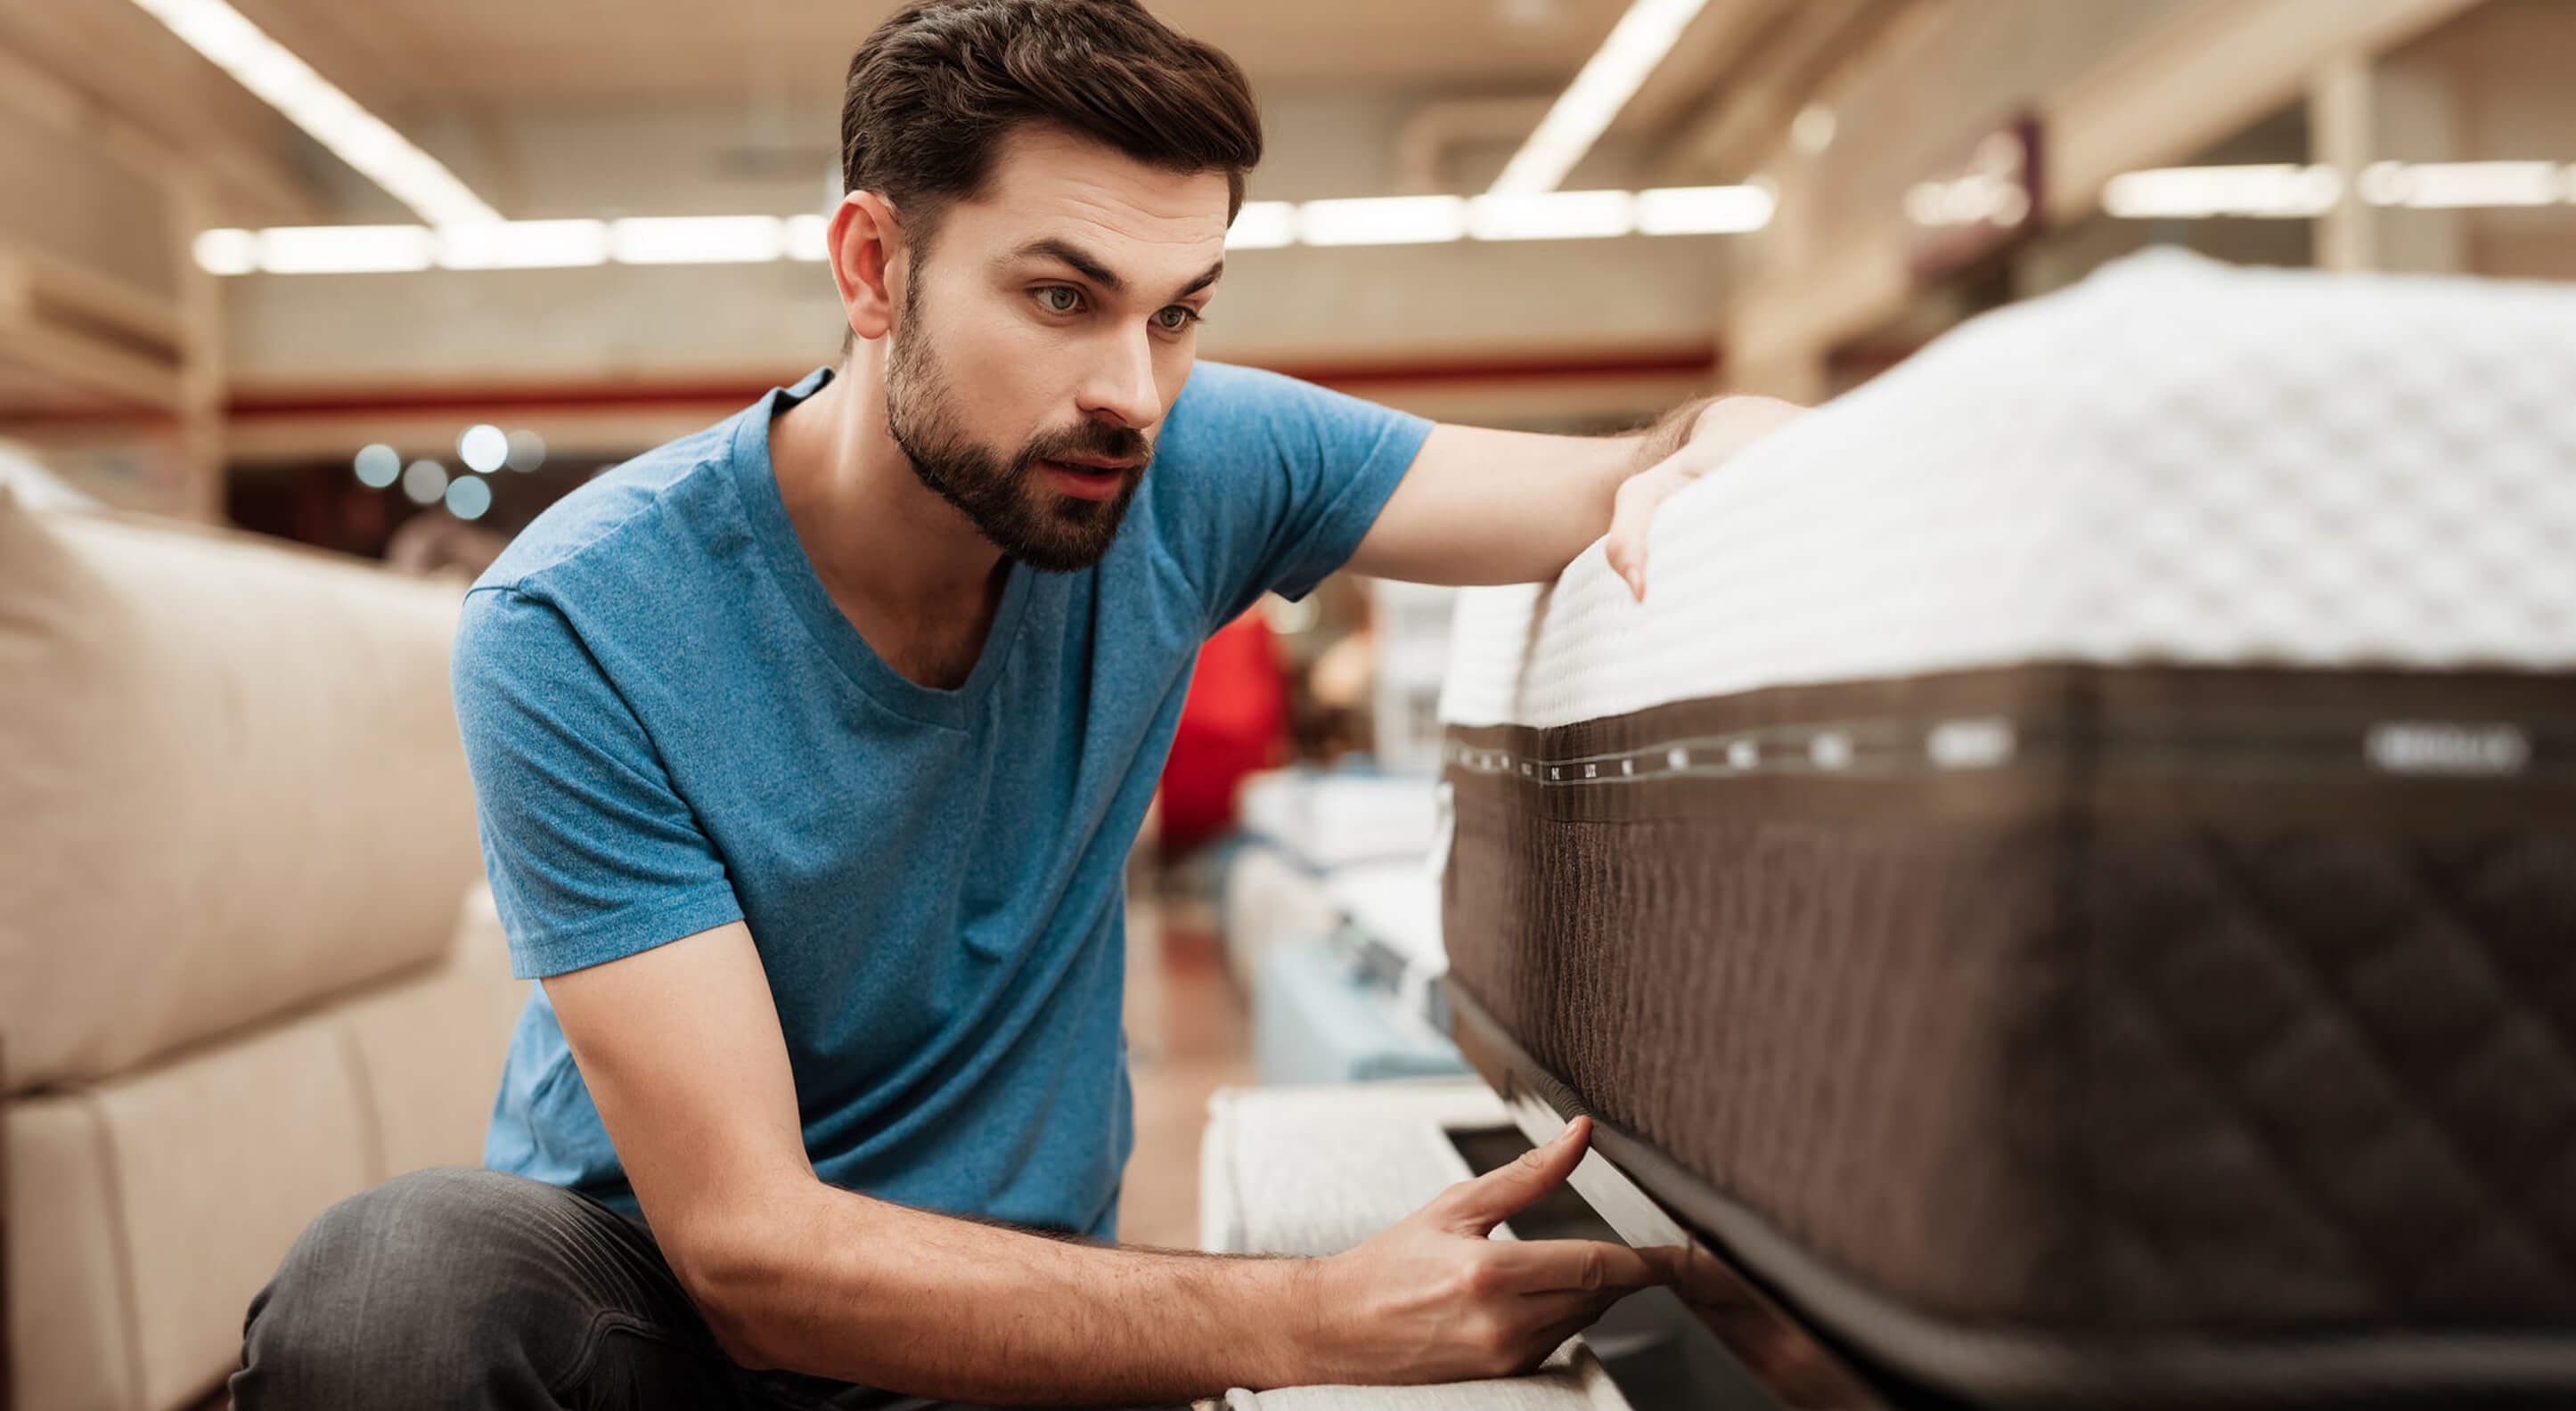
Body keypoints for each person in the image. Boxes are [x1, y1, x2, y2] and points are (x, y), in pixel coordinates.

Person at [230, 2, 1801, 1405]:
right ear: (872, 267)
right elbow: (750, 1254)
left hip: (1009, 1330)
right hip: (664, 1323)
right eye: (1063, 298)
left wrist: (1743, 434)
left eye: (1178, 312)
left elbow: (1616, 476)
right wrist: (1313, 1317)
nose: (1132, 387)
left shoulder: (1190, 458)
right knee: (392, 1282)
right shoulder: (579, 619)